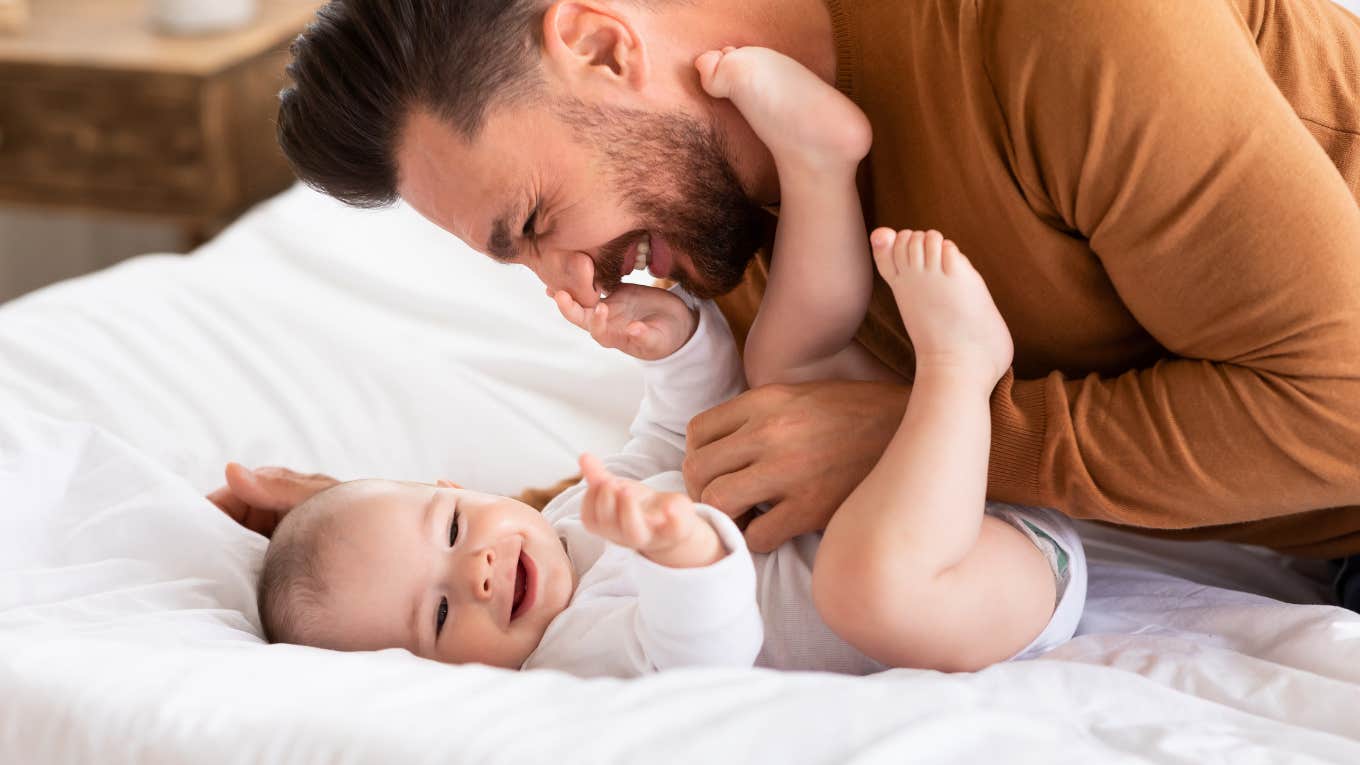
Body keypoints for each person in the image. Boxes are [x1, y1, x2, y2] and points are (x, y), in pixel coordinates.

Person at [229, 0, 1360, 608]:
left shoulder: (1059, 25)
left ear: (600, 44)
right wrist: (418, 538)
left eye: (533, 225)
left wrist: (905, 437)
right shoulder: (735, 212)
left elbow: (1344, 411)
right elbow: (761, 464)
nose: (573, 287)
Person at [255, 236, 1085, 673]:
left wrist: (676, 346)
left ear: (460, 488)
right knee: (863, 585)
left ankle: (819, 168)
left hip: (916, 497)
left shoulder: (570, 518)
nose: (471, 571)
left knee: (774, 374)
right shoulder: (571, 657)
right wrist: (676, 552)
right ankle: (959, 367)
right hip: (978, 584)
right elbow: (697, 650)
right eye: (437, 615)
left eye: (451, 527)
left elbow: (676, 439)